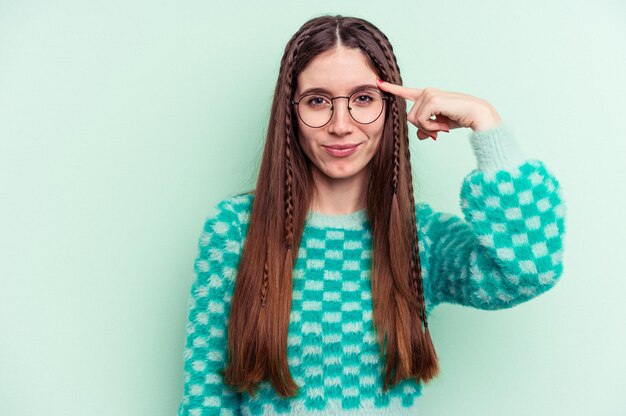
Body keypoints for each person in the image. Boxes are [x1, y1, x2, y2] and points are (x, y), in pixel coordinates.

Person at [176, 14, 567, 416]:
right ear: (291, 113)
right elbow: (206, 396)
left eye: (363, 98)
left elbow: (529, 270)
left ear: (390, 109)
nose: (340, 125)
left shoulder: (420, 237)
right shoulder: (235, 230)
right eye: (317, 101)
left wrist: (485, 122)